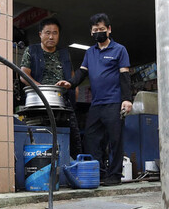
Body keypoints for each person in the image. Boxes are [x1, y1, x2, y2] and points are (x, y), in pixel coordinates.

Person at [56, 13, 132, 186]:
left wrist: (127, 99)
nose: (99, 32)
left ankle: (114, 176)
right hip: (96, 104)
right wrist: (70, 83)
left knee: (115, 140)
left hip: (114, 102)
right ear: (91, 32)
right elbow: (82, 72)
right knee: (91, 139)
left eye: (102, 29)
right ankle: (99, 174)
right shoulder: (90, 52)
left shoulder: (119, 50)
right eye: (95, 30)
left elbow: (125, 77)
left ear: (109, 29)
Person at [20, 17, 83, 157]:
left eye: (55, 33)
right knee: (41, 137)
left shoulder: (64, 53)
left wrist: (73, 96)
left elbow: (72, 78)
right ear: (40, 34)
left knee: (73, 139)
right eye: (47, 32)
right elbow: (23, 75)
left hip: (63, 103)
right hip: (38, 102)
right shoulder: (32, 50)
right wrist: (40, 89)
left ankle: (73, 171)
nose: (51, 36)